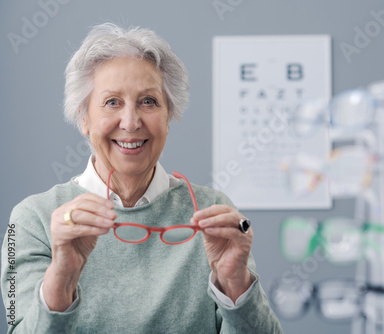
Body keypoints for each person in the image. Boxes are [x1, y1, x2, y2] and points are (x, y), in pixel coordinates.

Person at [1, 23, 283, 333]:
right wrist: (62, 275)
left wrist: (235, 283)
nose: (131, 122)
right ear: (84, 117)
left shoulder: (211, 211)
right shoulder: (29, 220)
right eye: (112, 102)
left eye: (149, 101)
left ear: (169, 115)